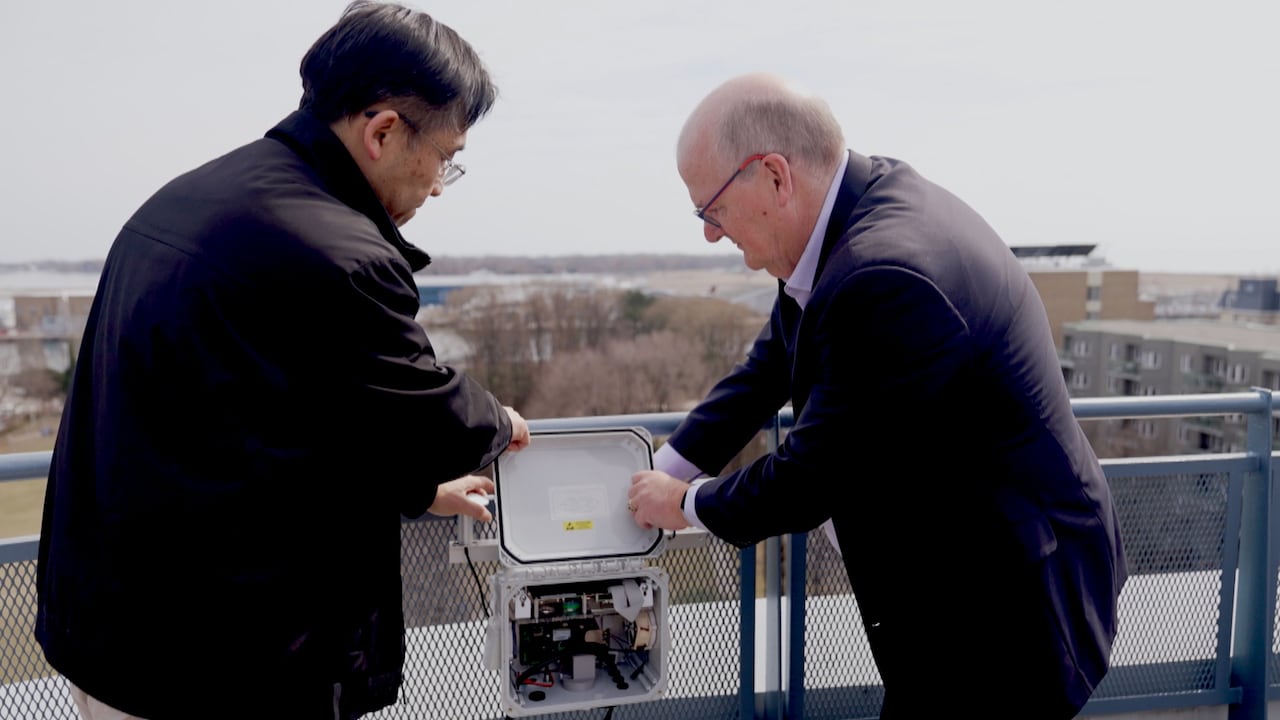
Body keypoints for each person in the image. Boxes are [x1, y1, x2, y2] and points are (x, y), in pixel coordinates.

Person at [35, 3, 530, 719]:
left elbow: (264, 421)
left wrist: (418, 492)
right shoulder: (336, 251)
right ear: (383, 131)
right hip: (216, 667)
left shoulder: (189, 200)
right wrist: (500, 421)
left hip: (116, 635)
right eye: (446, 158)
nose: (437, 184)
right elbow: (428, 421)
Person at [628, 73, 1126, 719]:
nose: (711, 235)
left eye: (711, 210)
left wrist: (688, 503)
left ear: (775, 176)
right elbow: (773, 361)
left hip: (1004, 606)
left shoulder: (884, 274)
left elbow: (813, 478)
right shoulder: (849, 219)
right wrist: (668, 465)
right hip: (967, 576)